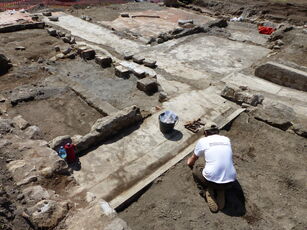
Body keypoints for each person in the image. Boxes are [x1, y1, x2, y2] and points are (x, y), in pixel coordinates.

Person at [187, 121, 237, 213]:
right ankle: (221, 190)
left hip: (211, 179)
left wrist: (189, 162)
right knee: (220, 167)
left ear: (205, 133)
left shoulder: (203, 141)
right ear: (217, 131)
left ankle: (207, 191)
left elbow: (192, 160)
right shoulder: (226, 139)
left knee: (196, 168)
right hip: (230, 181)